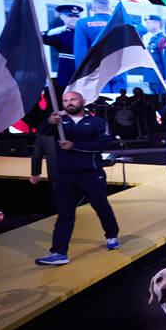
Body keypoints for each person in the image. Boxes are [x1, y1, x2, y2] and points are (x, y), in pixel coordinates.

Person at [35, 91, 120, 266]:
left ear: (83, 101)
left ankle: (111, 235)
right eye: (65, 100)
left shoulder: (97, 122)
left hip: (91, 172)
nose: (69, 103)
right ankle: (59, 252)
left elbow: (104, 144)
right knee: (65, 213)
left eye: (73, 99)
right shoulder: (59, 121)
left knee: (101, 205)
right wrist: (50, 121)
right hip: (65, 174)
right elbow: (42, 132)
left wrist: (75, 146)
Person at [74, 0, 125, 92]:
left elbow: (80, 52)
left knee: (100, 101)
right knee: (121, 102)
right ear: (110, 8)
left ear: (93, 8)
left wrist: (81, 75)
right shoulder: (122, 21)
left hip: (96, 70)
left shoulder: (83, 23)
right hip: (120, 68)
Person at [42, 4, 83, 96]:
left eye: (77, 16)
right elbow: (41, 38)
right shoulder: (60, 34)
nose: (74, 19)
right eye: (70, 16)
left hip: (85, 73)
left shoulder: (85, 32)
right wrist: (53, 31)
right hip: (67, 73)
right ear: (62, 17)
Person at [145, 15, 166, 93]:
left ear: (157, 24)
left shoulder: (163, 39)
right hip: (153, 78)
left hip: (161, 79)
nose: (146, 25)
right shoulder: (154, 39)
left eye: (148, 23)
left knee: (164, 101)